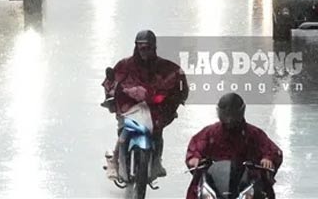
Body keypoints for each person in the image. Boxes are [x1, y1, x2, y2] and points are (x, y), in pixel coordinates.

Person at [102, 30, 188, 183]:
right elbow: (111, 82)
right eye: (142, 48)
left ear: (154, 48)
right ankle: (114, 161)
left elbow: (178, 82)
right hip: (129, 107)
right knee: (124, 128)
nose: (145, 52)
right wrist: (111, 95)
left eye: (148, 48)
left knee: (158, 130)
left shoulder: (164, 67)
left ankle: (157, 161)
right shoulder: (125, 65)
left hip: (153, 108)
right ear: (137, 47)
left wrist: (175, 97)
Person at [185, 93, 282, 199]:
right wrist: (194, 158)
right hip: (215, 183)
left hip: (247, 182)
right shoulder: (210, 133)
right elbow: (196, 146)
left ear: (240, 112)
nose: (230, 120)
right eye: (226, 115)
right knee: (195, 192)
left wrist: (268, 159)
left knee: (264, 191)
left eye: (232, 115)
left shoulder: (254, 133)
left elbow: (272, 150)